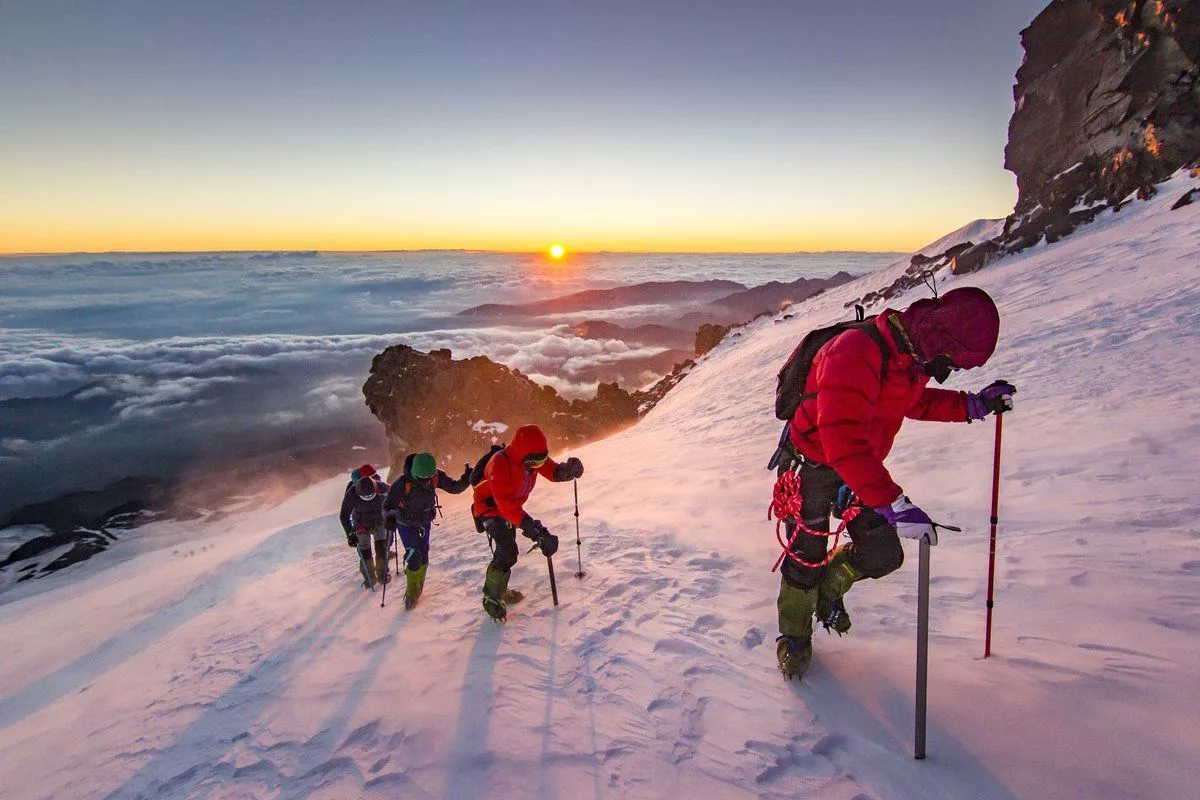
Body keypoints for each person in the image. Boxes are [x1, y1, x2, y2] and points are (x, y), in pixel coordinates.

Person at [773, 286, 1015, 679]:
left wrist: (973, 405)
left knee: (883, 554)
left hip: (860, 467)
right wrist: (893, 504)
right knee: (807, 555)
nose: (947, 370)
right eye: (952, 361)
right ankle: (795, 639)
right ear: (941, 339)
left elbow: (914, 402)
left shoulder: (910, 361)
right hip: (814, 464)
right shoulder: (855, 351)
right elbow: (841, 441)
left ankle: (829, 589)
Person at [470, 424, 584, 620]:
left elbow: (552, 471)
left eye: (540, 462)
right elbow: (508, 509)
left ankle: (499, 590)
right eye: (533, 463)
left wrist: (568, 471)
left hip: (509, 507)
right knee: (508, 550)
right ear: (522, 456)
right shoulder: (499, 465)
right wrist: (538, 533)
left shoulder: (532, 459)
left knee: (506, 550)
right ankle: (491, 597)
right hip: (489, 509)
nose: (537, 467)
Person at [382, 451, 471, 609]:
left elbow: (454, 488)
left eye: (428, 478)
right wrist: (389, 516)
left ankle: (418, 587)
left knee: (424, 555)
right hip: (406, 524)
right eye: (422, 478)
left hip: (424, 522)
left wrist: (467, 479)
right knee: (414, 556)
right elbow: (387, 505)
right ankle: (411, 593)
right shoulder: (402, 483)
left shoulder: (435, 476)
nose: (426, 481)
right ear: (414, 473)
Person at [340, 468, 392, 588]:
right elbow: (344, 515)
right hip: (361, 525)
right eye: (365, 496)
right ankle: (370, 578)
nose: (368, 497)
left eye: (371, 495)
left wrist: (392, 515)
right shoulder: (352, 493)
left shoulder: (381, 487)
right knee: (365, 552)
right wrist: (350, 533)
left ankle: (382, 575)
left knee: (381, 549)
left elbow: (394, 495)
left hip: (379, 522)